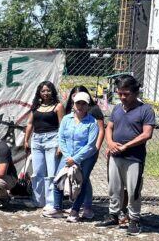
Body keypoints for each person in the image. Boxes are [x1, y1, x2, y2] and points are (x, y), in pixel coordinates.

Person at [97, 75, 155, 235]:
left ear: (136, 93)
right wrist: (109, 142)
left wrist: (126, 146)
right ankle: (113, 214)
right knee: (113, 187)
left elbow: (147, 134)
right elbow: (109, 127)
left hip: (134, 157)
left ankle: (134, 219)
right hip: (116, 155)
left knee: (133, 188)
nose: (122, 97)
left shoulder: (146, 110)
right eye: (120, 93)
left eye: (126, 94)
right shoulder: (117, 108)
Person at [51, 91, 99, 221]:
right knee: (58, 180)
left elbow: (90, 145)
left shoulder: (92, 123)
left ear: (88, 106)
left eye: (84, 103)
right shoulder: (67, 119)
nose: (81, 106)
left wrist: (76, 159)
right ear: (73, 104)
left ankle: (75, 210)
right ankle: (57, 208)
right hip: (68, 156)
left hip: (85, 158)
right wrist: (68, 156)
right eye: (78, 103)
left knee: (80, 182)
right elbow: (61, 138)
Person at [63, 85, 105, 219]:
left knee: (84, 180)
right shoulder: (69, 113)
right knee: (79, 178)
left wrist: (96, 147)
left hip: (88, 151)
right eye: (74, 97)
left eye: (80, 97)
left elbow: (100, 129)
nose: (78, 101)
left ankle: (83, 207)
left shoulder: (93, 111)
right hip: (73, 152)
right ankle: (81, 204)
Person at [24, 81, 65, 215]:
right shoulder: (35, 107)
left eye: (48, 90)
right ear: (39, 93)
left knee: (51, 173)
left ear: (52, 91)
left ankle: (51, 202)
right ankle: (37, 200)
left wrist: (60, 144)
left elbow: (62, 126)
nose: (46, 93)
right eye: (43, 91)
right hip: (36, 140)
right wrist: (26, 140)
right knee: (38, 172)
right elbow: (30, 123)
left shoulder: (58, 106)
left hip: (52, 139)